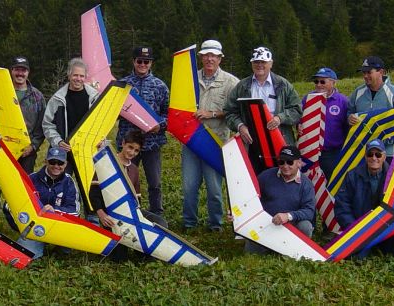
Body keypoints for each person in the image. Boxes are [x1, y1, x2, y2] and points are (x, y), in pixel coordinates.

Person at [0, 56, 46, 228]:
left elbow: (42, 127)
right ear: (12, 71)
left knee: (22, 191)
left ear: (28, 72)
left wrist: (33, 146)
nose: (20, 73)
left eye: (23, 70)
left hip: (27, 152)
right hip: (2, 150)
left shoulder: (38, 97)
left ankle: (22, 225)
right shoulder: (1, 93)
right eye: (17, 69)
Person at [182, 40, 239, 231]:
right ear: (201, 57)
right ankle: (189, 223)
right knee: (189, 186)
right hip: (190, 140)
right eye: (206, 55)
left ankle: (216, 224)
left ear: (220, 58)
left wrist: (212, 114)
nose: (209, 59)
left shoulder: (231, 82)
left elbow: (235, 110)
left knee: (214, 188)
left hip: (216, 141)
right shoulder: (190, 79)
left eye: (213, 55)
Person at [87, 131, 168, 262]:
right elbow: (94, 193)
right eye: (130, 147)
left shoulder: (134, 169)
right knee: (119, 258)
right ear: (123, 144)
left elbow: (137, 199)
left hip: (131, 214)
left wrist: (139, 219)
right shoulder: (108, 164)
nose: (132, 153)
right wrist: (101, 214)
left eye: (136, 151)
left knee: (160, 223)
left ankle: (143, 250)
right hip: (111, 216)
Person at [224, 46, 302, 174]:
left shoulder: (283, 84)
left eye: (263, 62)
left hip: (280, 141)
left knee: (282, 179)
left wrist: (280, 118)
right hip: (251, 143)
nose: (259, 65)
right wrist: (240, 126)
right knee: (255, 180)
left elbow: (297, 110)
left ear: (270, 63)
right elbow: (229, 111)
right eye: (256, 62)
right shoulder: (242, 86)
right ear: (252, 64)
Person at [333, 139, 394, 258]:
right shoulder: (352, 176)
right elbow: (342, 206)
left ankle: (385, 248)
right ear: (365, 157)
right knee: (357, 258)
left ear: (384, 156)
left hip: (385, 228)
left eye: (378, 154)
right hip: (360, 229)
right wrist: (354, 228)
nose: (374, 158)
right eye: (370, 154)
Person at [116, 46, 170, 217]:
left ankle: (156, 214)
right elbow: (112, 111)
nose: (143, 64)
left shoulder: (160, 86)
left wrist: (159, 125)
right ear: (134, 62)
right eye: (139, 61)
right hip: (128, 144)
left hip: (152, 143)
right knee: (125, 180)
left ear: (151, 63)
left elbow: (169, 115)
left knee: (154, 182)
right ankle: (127, 212)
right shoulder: (122, 85)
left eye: (146, 61)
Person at [13, 146, 80, 259]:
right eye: (52, 162)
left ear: (66, 164)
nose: (56, 166)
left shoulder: (69, 182)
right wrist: (21, 224)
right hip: (35, 226)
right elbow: (15, 204)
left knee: (65, 251)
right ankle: (35, 244)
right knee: (23, 256)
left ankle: (58, 249)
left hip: (58, 226)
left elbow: (75, 212)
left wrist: (54, 211)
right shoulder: (31, 179)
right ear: (45, 161)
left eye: (60, 163)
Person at [246, 146, 316, 254]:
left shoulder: (306, 184)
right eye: (281, 162)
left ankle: (295, 252)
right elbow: (249, 197)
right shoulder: (265, 176)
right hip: (266, 224)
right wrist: (237, 213)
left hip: (292, 226)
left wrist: (288, 216)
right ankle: (269, 248)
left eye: (289, 162)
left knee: (305, 226)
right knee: (249, 255)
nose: (285, 166)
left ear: (299, 163)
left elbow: (309, 211)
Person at [42, 57, 99, 172]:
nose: (78, 79)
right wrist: (58, 142)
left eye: (81, 76)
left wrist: (100, 139)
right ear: (69, 75)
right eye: (75, 75)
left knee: (88, 188)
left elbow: (101, 122)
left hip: (86, 151)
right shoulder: (57, 99)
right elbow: (47, 125)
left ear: (85, 77)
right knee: (60, 184)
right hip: (64, 152)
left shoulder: (94, 98)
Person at [347, 56, 394, 160]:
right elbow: (349, 112)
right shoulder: (358, 92)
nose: (365, 76)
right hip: (362, 153)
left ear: (381, 72)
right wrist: (349, 118)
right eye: (363, 73)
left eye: (369, 72)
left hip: (388, 154)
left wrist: (382, 142)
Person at [301, 67, 349, 176]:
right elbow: (300, 119)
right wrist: (299, 126)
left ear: (333, 83)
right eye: (316, 81)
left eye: (322, 81)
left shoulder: (343, 101)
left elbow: (347, 126)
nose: (318, 84)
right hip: (310, 151)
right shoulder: (307, 98)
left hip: (332, 153)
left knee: (331, 182)